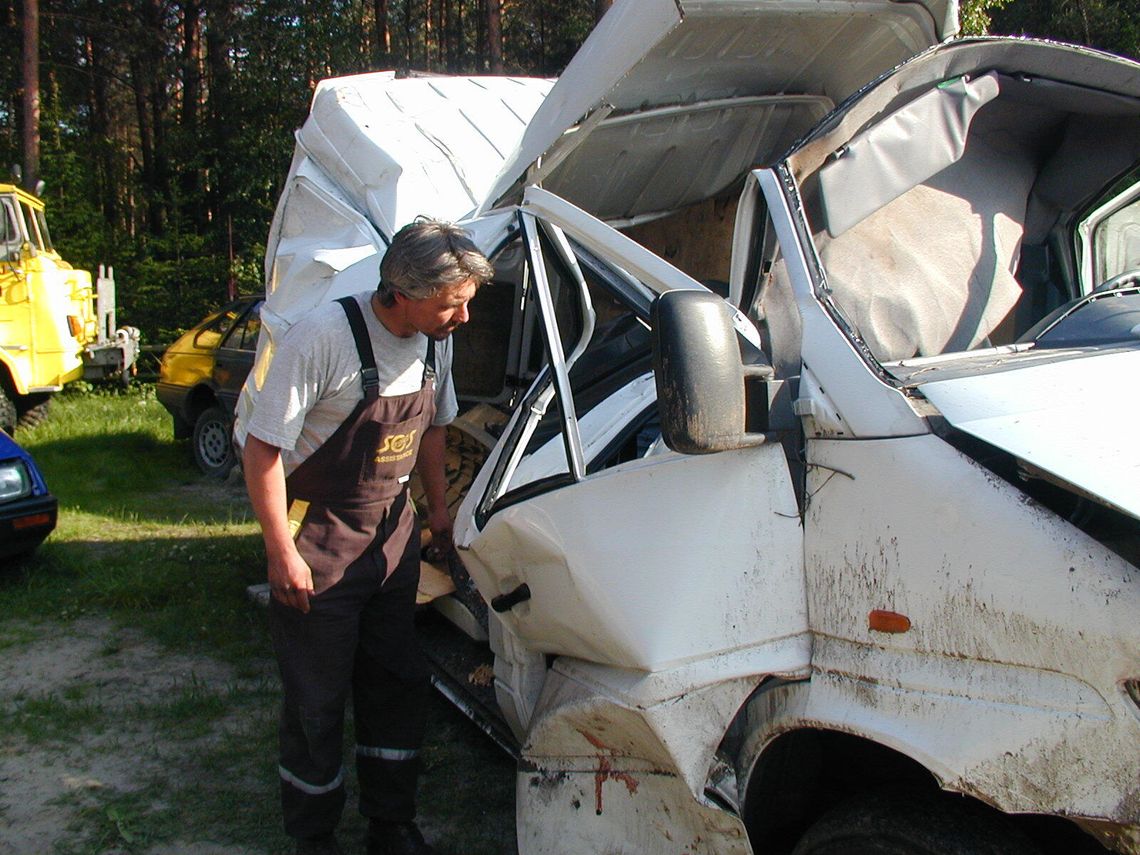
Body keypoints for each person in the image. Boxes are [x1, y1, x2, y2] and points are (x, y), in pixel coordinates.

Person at [240, 219, 493, 855]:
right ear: (401, 293)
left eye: (467, 302)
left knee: (396, 680)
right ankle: (313, 835)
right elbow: (262, 450)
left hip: (392, 537)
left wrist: (438, 516)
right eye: (451, 303)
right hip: (317, 539)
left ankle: (391, 823)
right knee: (316, 697)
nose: (463, 316)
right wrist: (281, 553)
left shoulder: (436, 343)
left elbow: (433, 428)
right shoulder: (322, 338)